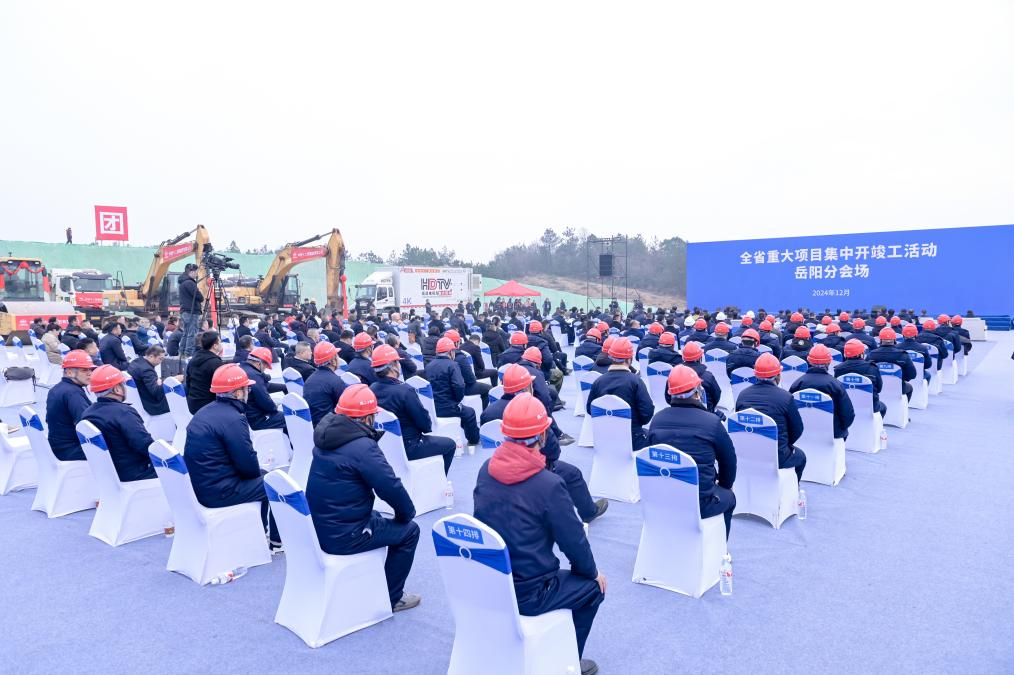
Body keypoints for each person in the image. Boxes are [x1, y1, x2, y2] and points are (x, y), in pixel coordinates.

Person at [473, 394, 605, 674]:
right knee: (593, 588)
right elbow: (574, 542)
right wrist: (592, 573)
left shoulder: (486, 470)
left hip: (490, 583)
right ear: (543, 435)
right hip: (530, 593)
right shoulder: (549, 484)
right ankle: (566, 660)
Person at [306, 385, 421, 612]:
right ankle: (391, 598)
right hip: (343, 535)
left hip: (319, 527)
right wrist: (406, 515)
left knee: (377, 516)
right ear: (368, 418)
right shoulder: (362, 447)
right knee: (410, 531)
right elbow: (390, 487)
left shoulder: (326, 437)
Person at [482, 365, 606, 523]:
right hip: (532, 470)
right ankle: (589, 512)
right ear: (527, 387)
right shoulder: (532, 412)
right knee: (573, 474)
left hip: (497, 468)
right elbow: (553, 451)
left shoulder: (488, 413)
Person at [184, 364, 280, 550]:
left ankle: (259, 532)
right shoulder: (234, 418)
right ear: (238, 393)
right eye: (247, 389)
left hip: (203, 484)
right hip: (219, 492)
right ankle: (276, 541)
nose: (248, 393)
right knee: (275, 484)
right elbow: (247, 465)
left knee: (264, 475)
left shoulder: (204, 412)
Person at [647, 365, 737, 538]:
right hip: (701, 503)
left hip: (663, 499)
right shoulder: (712, 423)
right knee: (729, 498)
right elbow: (729, 462)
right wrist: (724, 486)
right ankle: (719, 547)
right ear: (697, 392)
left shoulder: (656, 421)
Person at [370, 345, 456, 473]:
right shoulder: (405, 391)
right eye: (398, 362)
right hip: (410, 446)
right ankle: (439, 479)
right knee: (450, 445)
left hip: (382, 448)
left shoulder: (371, 389)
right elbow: (425, 425)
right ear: (393, 365)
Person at [735, 353, 807, 482]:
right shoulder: (786, 397)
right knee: (801, 457)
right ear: (778, 375)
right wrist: (783, 444)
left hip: (748, 453)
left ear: (756, 374)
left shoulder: (742, 395)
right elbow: (797, 429)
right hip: (778, 456)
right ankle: (792, 489)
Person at [80, 365, 157, 482]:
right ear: (117, 389)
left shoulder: (87, 413)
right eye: (123, 384)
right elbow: (145, 444)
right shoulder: (124, 412)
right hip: (134, 474)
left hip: (106, 473)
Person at [587, 337, 654, 451]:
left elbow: (590, 409)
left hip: (604, 438)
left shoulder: (598, 381)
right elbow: (647, 412)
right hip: (632, 439)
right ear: (630, 359)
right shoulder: (636, 381)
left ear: (610, 357)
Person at [788, 344, 855, 440]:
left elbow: (790, 413)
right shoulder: (836, 385)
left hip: (803, 435)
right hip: (833, 435)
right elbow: (848, 415)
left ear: (809, 360)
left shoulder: (797, 383)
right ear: (829, 362)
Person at [424, 337, 481, 447]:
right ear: (451, 352)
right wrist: (457, 400)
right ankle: (474, 440)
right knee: (470, 413)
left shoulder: (429, 366)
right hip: (448, 407)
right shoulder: (452, 365)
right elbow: (459, 385)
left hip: (433, 408)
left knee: (464, 413)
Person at [46, 350, 97, 461]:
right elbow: (87, 425)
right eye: (84, 370)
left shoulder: (56, 389)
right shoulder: (73, 393)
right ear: (69, 373)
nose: (90, 373)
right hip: (71, 449)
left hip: (57, 446)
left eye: (91, 369)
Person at [834, 339, 887, 416]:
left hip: (845, 407)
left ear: (845, 354)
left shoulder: (838, 369)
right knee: (883, 407)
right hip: (870, 406)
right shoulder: (872, 368)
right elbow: (879, 389)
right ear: (862, 353)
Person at [239, 347, 286, 430]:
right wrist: (275, 407)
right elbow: (264, 400)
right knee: (290, 417)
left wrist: (284, 387)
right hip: (257, 419)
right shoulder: (254, 375)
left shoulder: (243, 368)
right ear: (259, 363)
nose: (265, 370)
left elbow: (266, 386)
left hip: (246, 415)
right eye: (265, 366)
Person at [303, 341, 349, 426]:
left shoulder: (309, 380)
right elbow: (345, 409)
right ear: (333, 361)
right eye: (337, 355)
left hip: (313, 426)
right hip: (328, 428)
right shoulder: (336, 381)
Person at [446, 329, 490, 408]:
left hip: (446, 391)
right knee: (489, 388)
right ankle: (485, 412)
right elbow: (470, 380)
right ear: (457, 343)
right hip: (461, 389)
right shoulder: (460, 358)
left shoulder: (435, 360)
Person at [868, 328, 916, 400]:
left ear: (880, 340)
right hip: (899, 387)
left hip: (877, 389)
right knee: (910, 388)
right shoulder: (903, 355)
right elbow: (912, 375)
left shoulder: (871, 355)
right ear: (894, 340)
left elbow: (866, 373)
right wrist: (901, 379)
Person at [185, 331, 225, 414]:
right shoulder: (215, 363)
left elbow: (188, 382)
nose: (222, 344)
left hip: (192, 404)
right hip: (208, 406)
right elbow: (222, 390)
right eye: (220, 342)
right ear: (215, 346)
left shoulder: (193, 359)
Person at [127, 345, 170, 417]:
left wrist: (158, 380)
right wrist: (168, 382)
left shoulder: (137, 361)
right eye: (160, 359)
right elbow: (156, 392)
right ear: (151, 356)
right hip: (151, 405)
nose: (161, 362)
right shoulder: (147, 370)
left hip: (139, 398)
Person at [178, 263, 204, 358]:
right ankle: (188, 354)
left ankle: (182, 353)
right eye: (196, 272)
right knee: (192, 334)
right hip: (191, 311)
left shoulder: (183, 282)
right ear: (191, 272)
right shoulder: (190, 283)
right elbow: (200, 297)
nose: (197, 274)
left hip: (185, 311)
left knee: (186, 333)